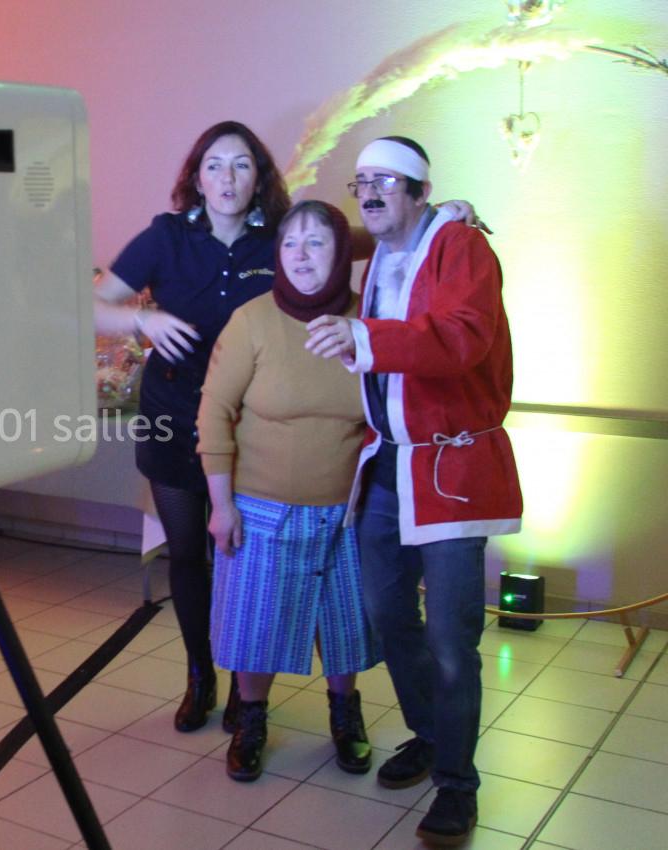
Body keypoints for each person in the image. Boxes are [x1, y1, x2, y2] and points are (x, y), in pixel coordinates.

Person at [306, 136, 521, 846]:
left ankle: (458, 784)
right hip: (386, 467)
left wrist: (363, 337)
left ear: (421, 189)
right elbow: (305, 260)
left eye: (384, 181)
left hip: (451, 472)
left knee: (453, 637)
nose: (368, 192)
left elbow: (462, 336)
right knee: (386, 613)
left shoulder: (460, 247)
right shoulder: (377, 258)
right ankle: (430, 734)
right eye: (360, 180)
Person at [94, 121, 290, 734]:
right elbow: (93, 305)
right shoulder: (167, 237)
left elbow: (346, 241)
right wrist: (142, 324)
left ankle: (243, 685)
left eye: (240, 165)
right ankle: (199, 674)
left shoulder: (279, 241)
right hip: (172, 416)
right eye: (214, 165)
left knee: (242, 555)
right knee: (188, 553)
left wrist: (438, 215)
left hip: (250, 426)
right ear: (196, 177)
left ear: (259, 178)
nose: (226, 178)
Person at [197, 200, 379, 782]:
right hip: (260, 508)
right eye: (291, 243)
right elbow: (214, 414)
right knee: (257, 624)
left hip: (347, 512)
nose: (302, 255)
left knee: (346, 623)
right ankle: (251, 717)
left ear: (343, 252)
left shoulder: (367, 322)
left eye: (318, 242)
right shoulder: (252, 320)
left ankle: (345, 713)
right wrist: (221, 505)